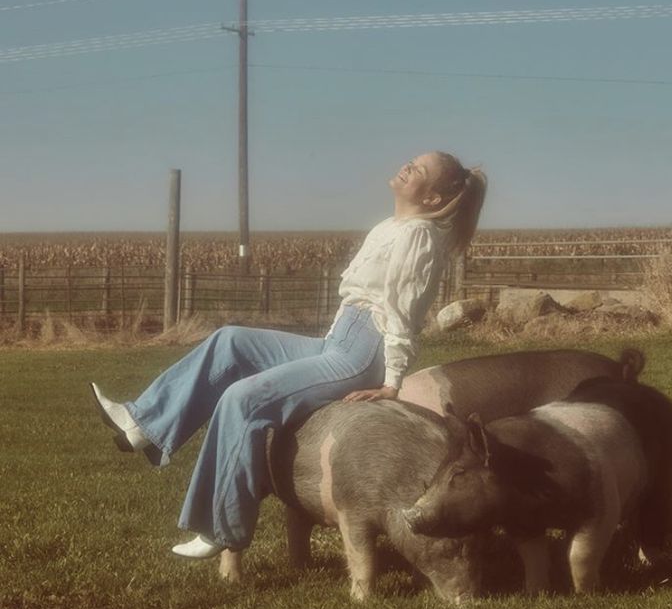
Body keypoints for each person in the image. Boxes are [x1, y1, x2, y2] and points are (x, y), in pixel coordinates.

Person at [91, 151, 487, 560]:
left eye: (418, 170)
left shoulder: (416, 237)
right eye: (411, 161)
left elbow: (401, 313)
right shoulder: (394, 226)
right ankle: (145, 424)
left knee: (243, 399)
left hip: (359, 354)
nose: (407, 166)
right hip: (338, 341)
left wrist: (391, 381)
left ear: (435, 199)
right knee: (230, 341)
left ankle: (220, 526)